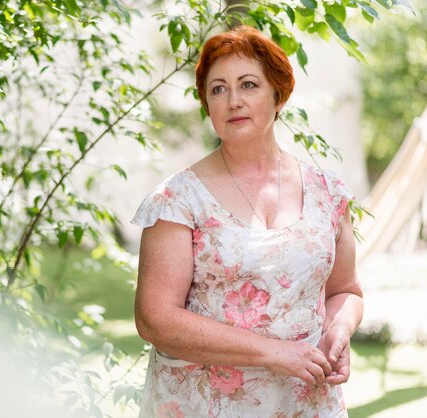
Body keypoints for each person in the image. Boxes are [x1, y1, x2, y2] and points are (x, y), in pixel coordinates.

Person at [130, 25, 364, 417]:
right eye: (218, 89)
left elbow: (346, 291)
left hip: (304, 400)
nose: (233, 100)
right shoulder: (176, 201)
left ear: (278, 93)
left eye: (249, 85)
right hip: (205, 405)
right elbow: (156, 319)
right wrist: (274, 353)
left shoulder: (329, 193)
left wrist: (337, 331)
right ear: (207, 104)